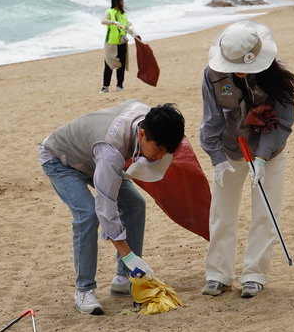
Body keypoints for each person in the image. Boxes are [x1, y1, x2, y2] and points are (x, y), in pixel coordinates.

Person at [39, 100, 185, 315]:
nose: (160, 156)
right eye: (158, 150)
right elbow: (106, 210)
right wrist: (130, 256)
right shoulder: (110, 152)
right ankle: (84, 291)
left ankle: (124, 280)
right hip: (61, 159)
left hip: (93, 158)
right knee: (87, 215)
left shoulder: (152, 118)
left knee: (136, 204)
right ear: (142, 134)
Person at [199, 19, 294, 299]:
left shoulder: (277, 74)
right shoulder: (211, 75)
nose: (238, 72)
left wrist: (261, 157)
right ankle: (218, 275)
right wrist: (217, 159)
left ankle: (254, 275)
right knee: (221, 213)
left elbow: (284, 122)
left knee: (265, 213)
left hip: (269, 151)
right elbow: (210, 122)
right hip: (231, 150)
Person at [100, 0, 135, 93]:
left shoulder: (123, 14)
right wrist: (113, 22)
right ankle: (105, 86)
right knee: (108, 64)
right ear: (116, 2)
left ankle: (120, 85)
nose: (123, 2)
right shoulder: (109, 12)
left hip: (122, 42)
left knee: (121, 64)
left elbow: (127, 26)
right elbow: (103, 21)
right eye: (121, 0)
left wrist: (134, 33)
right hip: (111, 43)